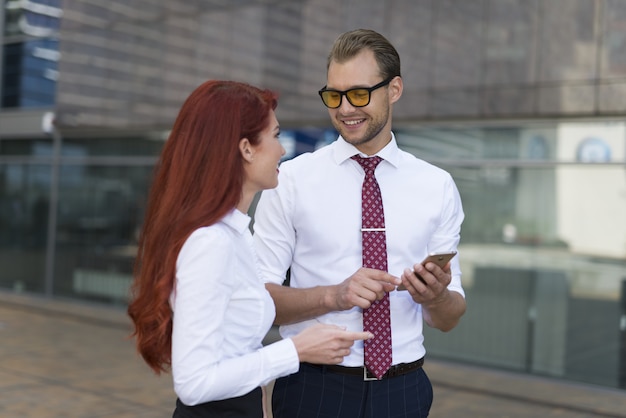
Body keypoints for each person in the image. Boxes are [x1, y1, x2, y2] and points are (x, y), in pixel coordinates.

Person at [127, 80, 372, 418]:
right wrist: (296, 350)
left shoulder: (234, 234)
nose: (282, 150)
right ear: (246, 148)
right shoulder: (211, 242)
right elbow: (194, 383)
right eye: (274, 136)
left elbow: (235, 355)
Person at [253, 29, 466, 417]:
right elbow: (257, 301)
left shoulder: (437, 186)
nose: (345, 108)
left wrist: (434, 296)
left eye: (360, 94)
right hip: (311, 388)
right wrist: (335, 295)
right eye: (334, 95)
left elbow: (449, 318)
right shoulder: (289, 181)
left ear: (394, 89)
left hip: (404, 391)